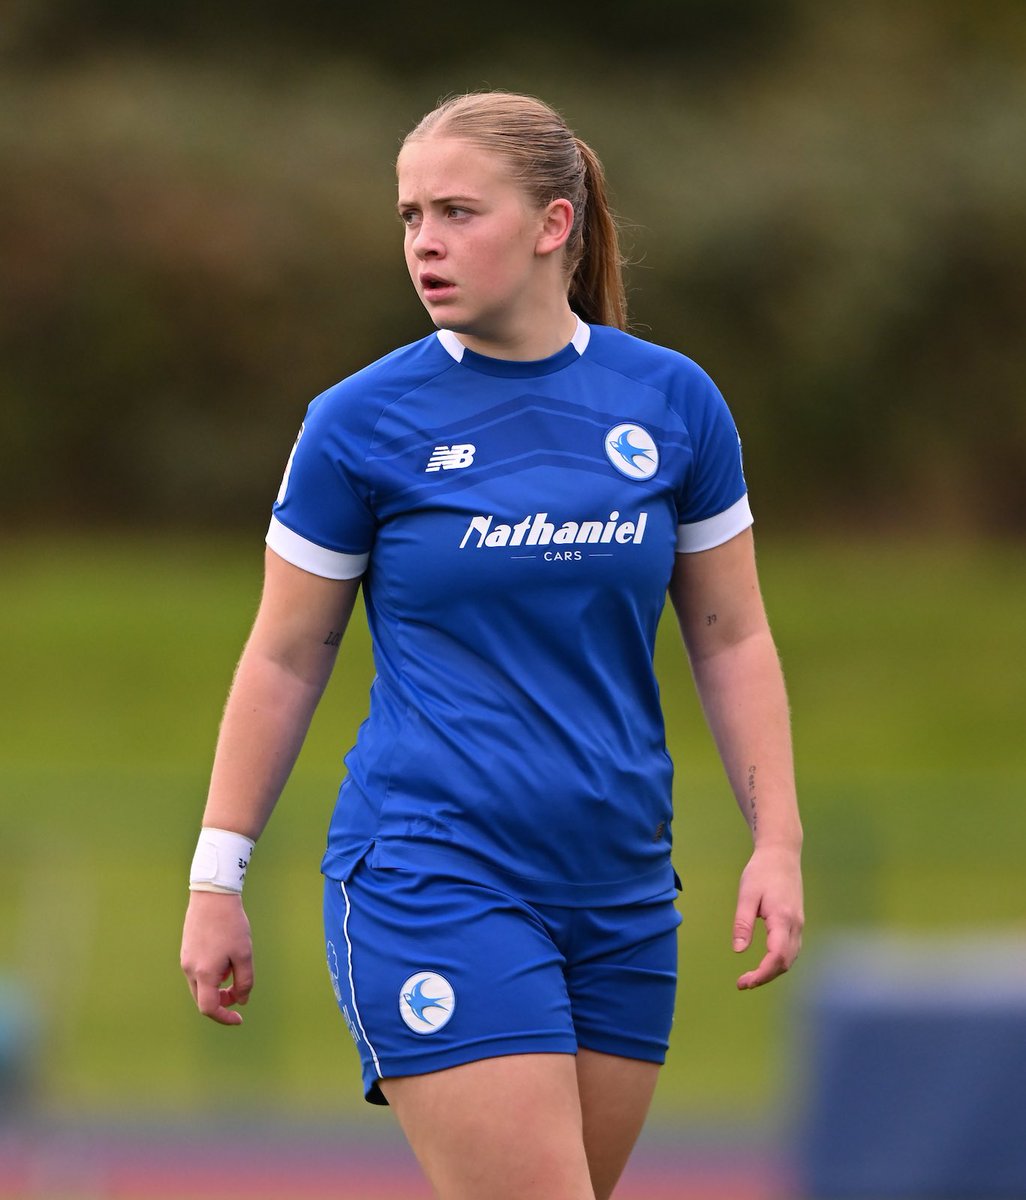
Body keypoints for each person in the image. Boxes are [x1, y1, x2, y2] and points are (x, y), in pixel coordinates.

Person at [180, 90, 804, 1200]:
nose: (424, 241)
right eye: (411, 214)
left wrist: (779, 840)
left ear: (553, 225)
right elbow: (283, 657)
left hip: (617, 884)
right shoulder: (360, 423)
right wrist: (215, 876)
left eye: (458, 211)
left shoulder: (673, 403)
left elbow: (730, 634)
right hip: (435, 873)